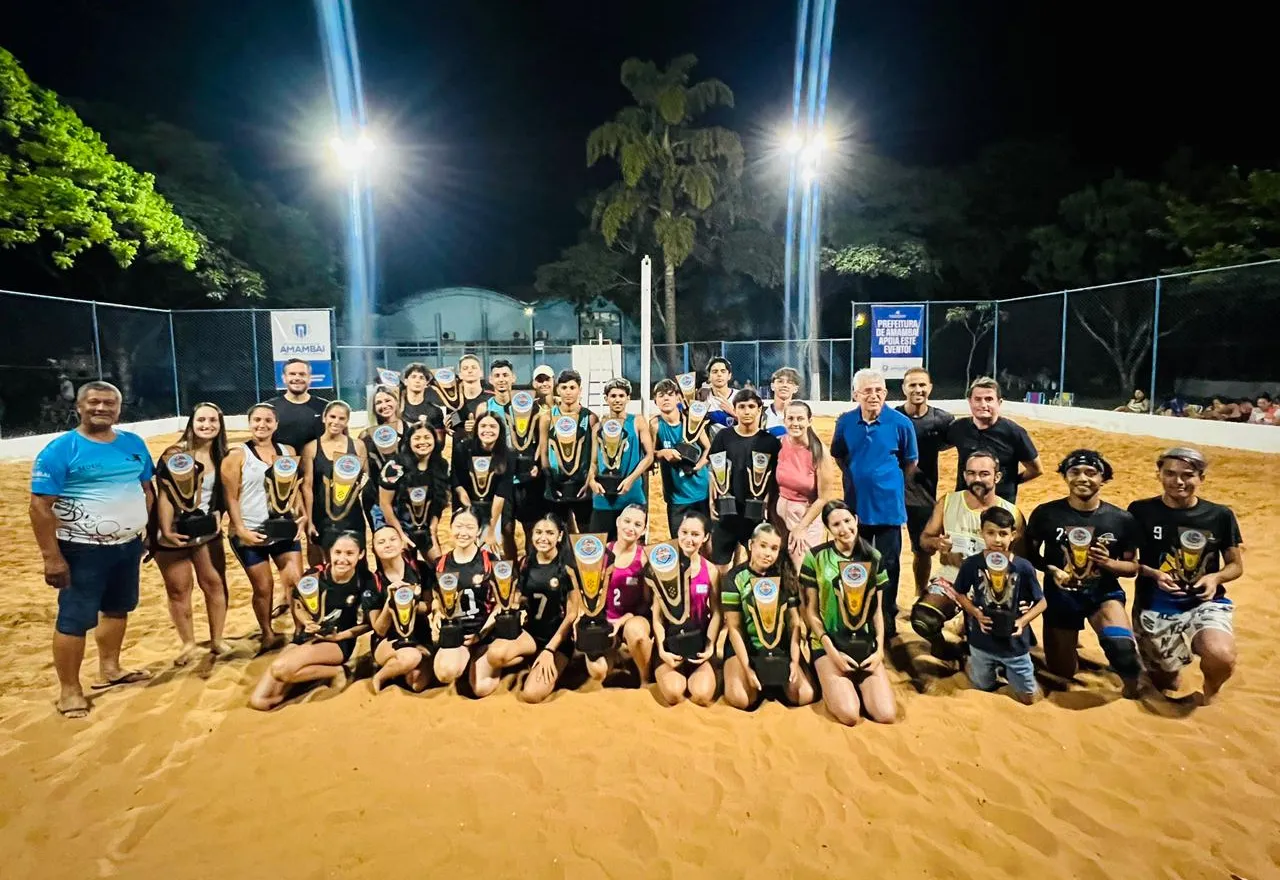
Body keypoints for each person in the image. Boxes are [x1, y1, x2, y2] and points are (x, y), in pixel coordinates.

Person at [30, 381, 155, 719]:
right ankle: (70, 690)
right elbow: (40, 507)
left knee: (118, 608)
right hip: (81, 549)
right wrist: (51, 557)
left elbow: (146, 488)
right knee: (74, 619)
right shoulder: (61, 450)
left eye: (109, 404)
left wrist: (145, 529)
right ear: (79, 407)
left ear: (119, 409)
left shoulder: (134, 443)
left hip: (127, 545)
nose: (102, 408)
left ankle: (110, 669)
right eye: (94, 402)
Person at [1128, 447, 1242, 703]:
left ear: (1201, 477)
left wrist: (1215, 578)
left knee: (1220, 655)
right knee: (1168, 682)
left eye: (1188, 475)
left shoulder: (1220, 515)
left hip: (1204, 602)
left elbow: (1235, 564)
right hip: (1154, 605)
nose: (1178, 481)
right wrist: (1153, 573)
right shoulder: (1140, 511)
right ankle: (1159, 664)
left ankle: (1211, 690)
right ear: (1159, 475)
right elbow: (1128, 561)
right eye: (1170, 473)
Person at [1025, 450, 1143, 696]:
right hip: (1060, 597)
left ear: (1103, 478)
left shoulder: (1121, 519)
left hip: (1103, 593)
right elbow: (1030, 553)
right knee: (1062, 671)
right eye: (1075, 472)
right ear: (1065, 477)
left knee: (1121, 649)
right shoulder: (1046, 514)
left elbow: (1132, 567)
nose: (1083, 478)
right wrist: (1051, 569)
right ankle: (1071, 652)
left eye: (1091, 473)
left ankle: (1132, 692)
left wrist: (1109, 563)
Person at [830, 369, 918, 641]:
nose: (874, 395)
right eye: (867, 391)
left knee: (889, 563)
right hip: (855, 507)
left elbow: (910, 462)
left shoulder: (901, 423)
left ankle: (887, 615)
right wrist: (857, 477)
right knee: (856, 561)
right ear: (855, 394)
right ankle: (859, 613)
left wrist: (887, 482)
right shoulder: (845, 423)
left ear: (886, 393)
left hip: (889, 508)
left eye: (879, 390)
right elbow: (839, 454)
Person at [914, 450, 1022, 654]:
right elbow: (924, 541)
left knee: (990, 640)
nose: (976, 479)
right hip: (953, 576)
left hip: (993, 583)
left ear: (997, 477)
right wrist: (938, 543)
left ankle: (973, 635)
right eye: (971, 473)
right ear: (964, 476)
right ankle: (942, 647)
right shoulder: (948, 502)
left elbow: (1021, 560)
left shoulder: (1011, 512)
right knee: (924, 618)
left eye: (984, 474)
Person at [248, 532, 370, 710]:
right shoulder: (314, 575)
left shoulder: (365, 581)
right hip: (307, 636)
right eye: (338, 553)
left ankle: (337, 671)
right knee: (259, 701)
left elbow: (370, 624)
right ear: (330, 553)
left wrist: (342, 635)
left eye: (349, 553)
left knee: (281, 669)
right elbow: (298, 606)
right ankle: (311, 672)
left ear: (361, 554)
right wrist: (306, 622)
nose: (342, 559)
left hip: (337, 642)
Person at [801, 501, 895, 726]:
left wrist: (879, 651)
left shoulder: (874, 557)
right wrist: (831, 652)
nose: (843, 528)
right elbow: (810, 612)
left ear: (856, 519)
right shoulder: (815, 558)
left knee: (885, 714)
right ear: (828, 529)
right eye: (835, 524)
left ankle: (851, 683)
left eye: (847, 521)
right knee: (849, 715)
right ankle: (824, 675)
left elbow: (877, 612)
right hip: (828, 645)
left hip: (865, 646)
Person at [221, 403, 305, 651]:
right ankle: (267, 632)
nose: (262, 424)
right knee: (263, 587)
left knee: (295, 580)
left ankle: (300, 628)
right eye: (257, 420)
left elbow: (294, 487)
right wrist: (241, 529)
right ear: (249, 423)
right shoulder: (237, 455)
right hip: (250, 530)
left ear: (276, 425)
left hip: (283, 528)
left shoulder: (287, 451)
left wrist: (300, 514)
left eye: (268, 420)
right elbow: (231, 497)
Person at [152, 402, 231, 666]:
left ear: (220, 425)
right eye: (201, 420)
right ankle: (188, 643)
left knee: (215, 584)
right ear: (191, 423)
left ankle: (217, 639)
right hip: (172, 533)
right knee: (178, 589)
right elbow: (164, 494)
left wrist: (221, 516)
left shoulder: (223, 456)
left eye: (213, 421)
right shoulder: (174, 454)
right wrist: (165, 529)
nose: (207, 425)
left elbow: (227, 494)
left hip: (208, 532)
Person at [478, 514, 580, 702]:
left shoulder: (568, 569)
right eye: (539, 532)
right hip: (531, 634)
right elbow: (518, 598)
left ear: (559, 536)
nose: (543, 537)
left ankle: (553, 665)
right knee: (494, 655)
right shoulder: (526, 563)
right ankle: (529, 659)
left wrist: (550, 650)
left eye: (550, 533)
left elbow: (572, 614)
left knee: (531, 695)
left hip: (557, 640)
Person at [951, 507, 1047, 704]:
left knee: (1028, 697)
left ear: (1013, 535)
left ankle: (1012, 672)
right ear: (981, 533)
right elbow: (959, 593)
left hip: (1014, 646)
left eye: (1003, 534)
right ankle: (972, 664)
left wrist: (1023, 621)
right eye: (991, 533)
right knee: (982, 685)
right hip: (981, 642)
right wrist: (975, 613)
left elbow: (1042, 602)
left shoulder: (1023, 567)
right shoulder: (971, 564)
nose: (997, 539)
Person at [723, 523, 816, 709]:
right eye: (762, 546)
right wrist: (747, 668)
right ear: (751, 545)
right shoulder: (734, 578)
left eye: (774, 548)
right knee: (741, 699)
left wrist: (795, 661)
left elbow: (794, 623)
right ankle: (728, 674)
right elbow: (734, 627)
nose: (768, 553)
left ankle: (776, 683)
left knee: (804, 695)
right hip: (747, 647)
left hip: (779, 650)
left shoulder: (785, 575)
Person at [649, 511, 720, 707]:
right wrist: (662, 650)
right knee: (673, 694)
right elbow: (657, 615)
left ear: (705, 537)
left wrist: (710, 646)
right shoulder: (663, 568)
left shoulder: (711, 570)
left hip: (698, 645)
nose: (689, 539)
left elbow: (716, 613)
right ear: (677, 532)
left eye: (696, 534)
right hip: (670, 644)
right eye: (684, 532)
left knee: (701, 696)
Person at [895, 367, 954, 598]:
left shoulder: (942, 420)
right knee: (888, 551)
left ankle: (920, 594)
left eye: (922, 385)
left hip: (923, 495)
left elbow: (953, 441)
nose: (917, 389)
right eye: (912, 385)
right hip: (893, 494)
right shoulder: (894, 418)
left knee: (922, 550)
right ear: (903, 388)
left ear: (930, 388)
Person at [708, 389, 781, 573]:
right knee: (721, 566)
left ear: (759, 410)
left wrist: (768, 501)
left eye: (751, 407)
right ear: (735, 410)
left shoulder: (770, 441)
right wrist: (711, 499)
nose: (746, 411)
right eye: (741, 407)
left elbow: (775, 477)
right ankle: (722, 601)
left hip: (755, 513)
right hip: (726, 511)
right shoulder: (723, 436)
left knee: (756, 564)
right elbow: (714, 470)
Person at [431, 509, 500, 691]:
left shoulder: (490, 562)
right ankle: (467, 659)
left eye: (470, 527)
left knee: (481, 689)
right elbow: (436, 598)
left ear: (478, 531)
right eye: (459, 526)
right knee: (445, 673)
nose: (463, 532)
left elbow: (503, 604)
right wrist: (437, 613)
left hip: (485, 633)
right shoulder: (440, 564)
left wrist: (482, 633)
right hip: (456, 635)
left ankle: (486, 659)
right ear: (450, 528)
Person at [585, 504, 653, 685]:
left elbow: (646, 603)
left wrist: (622, 621)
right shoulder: (601, 551)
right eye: (627, 521)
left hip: (632, 618)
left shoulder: (644, 557)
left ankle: (645, 679)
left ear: (644, 529)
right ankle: (613, 652)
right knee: (597, 672)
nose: (631, 528)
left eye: (638, 524)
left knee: (637, 634)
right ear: (618, 522)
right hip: (604, 620)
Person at [947, 377, 1041, 503]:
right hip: (965, 503)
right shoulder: (958, 428)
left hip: (1000, 506)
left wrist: (1009, 483)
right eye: (978, 399)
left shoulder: (1014, 432)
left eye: (989, 399)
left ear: (999, 402)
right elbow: (941, 445)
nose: (983, 405)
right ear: (970, 401)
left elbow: (1036, 469)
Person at [366, 527, 434, 693]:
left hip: (419, 635)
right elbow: (379, 629)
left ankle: (400, 668)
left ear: (402, 543)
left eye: (392, 539)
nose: (387, 544)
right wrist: (391, 604)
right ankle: (380, 677)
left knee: (417, 683)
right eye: (381, 542)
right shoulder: (373, 582)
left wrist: (409, 604)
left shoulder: (420, 569)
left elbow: (429, 606)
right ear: (374, 548)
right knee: (411, 657)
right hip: (388, 639)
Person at [300, 400, 368, 558]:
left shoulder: (358, 446)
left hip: (352, 515)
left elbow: (365, 479)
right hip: (322, 516)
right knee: (326, 562)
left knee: (356, 560)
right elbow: (307, 487)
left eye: (341, 418)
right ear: (324, 417)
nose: (336, 422)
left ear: (347, 421)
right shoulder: (311, 448)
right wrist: (309, 520)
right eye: (332, 416)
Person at [588, 378, 654, 540]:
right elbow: (593, 462)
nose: (617, 400)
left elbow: (649, 456)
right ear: (606, 398)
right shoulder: (598, 426)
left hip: (631, 494)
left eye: (621, 396)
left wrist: (631, 479)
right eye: (613, 396)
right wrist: (591, 481)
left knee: (633, 550)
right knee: (601, 548)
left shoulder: (637, 421)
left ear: (628, 398)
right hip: (603, 496)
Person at [378, 421, 450, 566]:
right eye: (417, 438)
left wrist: (433, 529)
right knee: (407, 576)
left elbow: (439, 501)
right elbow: (385, 504)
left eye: (427, 437)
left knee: (441, 571)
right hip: (399, 529)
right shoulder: (394, 466)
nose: (423, 442)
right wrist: (400, 535)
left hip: (426, 530)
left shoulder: (441, 465)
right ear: (408, 441)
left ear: (434, 440)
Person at [775, 400, 832, 573]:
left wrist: (801, 528)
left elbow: (824, 498)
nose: (795, 423)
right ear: (784, 421)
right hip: (779, 514)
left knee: (802, 570)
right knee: (780, 567)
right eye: (790, 418)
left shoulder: (819, 451)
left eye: (800, 418)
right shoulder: (779, 443)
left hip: (805, 516)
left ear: (809, 421)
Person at [537, 369, 598, 531]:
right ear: (557, 390)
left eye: (572, 387)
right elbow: (543, 453)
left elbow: (594, 455)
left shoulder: (590, 418)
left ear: (580, 390)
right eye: (564, 388)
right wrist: (549, 480)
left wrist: (589, 480)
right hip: (556, 486)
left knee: (586, 532)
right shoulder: (547, 417)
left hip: (582, 485)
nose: (568, 392)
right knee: (557, 531)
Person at [649, 378, 710, 538]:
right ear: (655, 400)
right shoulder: (655, 425)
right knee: (679, 543)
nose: (666, 398)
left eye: (670, 394)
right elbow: (649, 455)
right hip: (676, 496)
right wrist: (663, 453)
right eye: (661, 395)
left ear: (678, 398)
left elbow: (709, 449)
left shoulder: (691, 420)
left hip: (701, 491)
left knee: (705, 543)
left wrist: (698, 466)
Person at [452, 411, 514, 553]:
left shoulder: (508, 454)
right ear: (477, 429)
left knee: (490, 549)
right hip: (467, 504)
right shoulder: (462, 449)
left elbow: (501, 493)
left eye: (493, 426)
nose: (487, 430)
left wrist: (491, 530)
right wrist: (470, 515)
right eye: (483, 426)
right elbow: (458, 484)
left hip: (494, 507)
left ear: (500, 431)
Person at [359, 385, 406, 533]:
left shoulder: (412, 431)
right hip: (376, 500)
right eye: (378, 403)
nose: (384, 405)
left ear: (396, 401)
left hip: (406, 500)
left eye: (388, 400)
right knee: (384, 545)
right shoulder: (365, 437)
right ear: (372, 408)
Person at [265, 358, 328, 455]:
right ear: (284, 378)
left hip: (317, 466)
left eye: (302, 374)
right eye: (292, 374)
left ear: (310, 378)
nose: (297, 378)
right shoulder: (269, 408)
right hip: (282, 465)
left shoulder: (325, 407)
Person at [400, 363, 446, 439]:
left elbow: (439, 441)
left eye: (421, 378)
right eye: (413, 377)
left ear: (426, 383)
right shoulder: (397, 408)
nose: (417, 381)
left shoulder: (435, 411)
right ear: (405, 381)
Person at [698, 356, 737, 428]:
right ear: (709, 376)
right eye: (715, 371)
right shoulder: (702, 397)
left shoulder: (740, 397)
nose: (719, 374)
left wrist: (733, 412)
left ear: (729, 376)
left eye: (723, 371)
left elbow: (752, 425)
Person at [762, 367, 801, 437]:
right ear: (772, 386)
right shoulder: (761, 415)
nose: (784, 385)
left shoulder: (802, 416)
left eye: (789, 382)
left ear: (796, 389)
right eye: (780, 381)